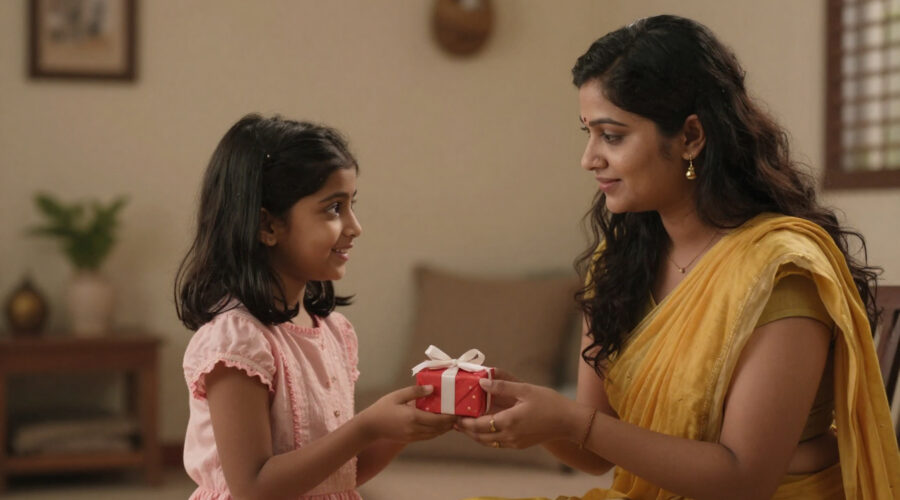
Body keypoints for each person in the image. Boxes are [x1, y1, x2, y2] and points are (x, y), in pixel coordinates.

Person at [458, 15, 900, 500]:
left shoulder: (781, 272)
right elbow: (598, 450)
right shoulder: (622, 259)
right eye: (588, 132)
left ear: (691, 136)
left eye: (612, 136)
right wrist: (518, 406)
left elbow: (742, 479)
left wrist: (569, 419)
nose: (589, 158)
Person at [175, 114, 457, 500]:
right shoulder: (237, 342)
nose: (355, 226)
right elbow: (253, 487)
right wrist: (366, 427)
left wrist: (402, 427)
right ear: (267, 226)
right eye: (333, 208)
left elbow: (341, 475)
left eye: (351, 204)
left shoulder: (334, 331)